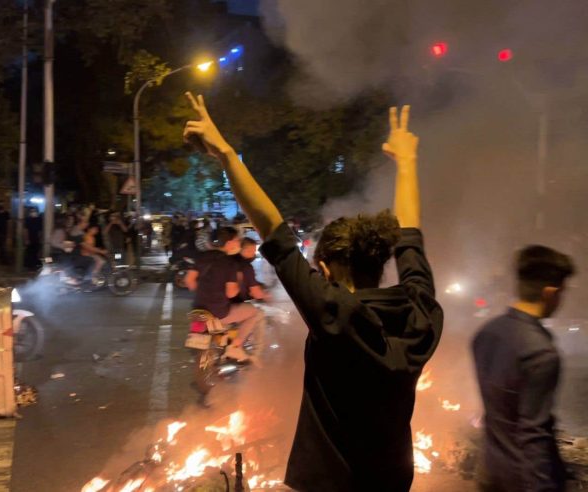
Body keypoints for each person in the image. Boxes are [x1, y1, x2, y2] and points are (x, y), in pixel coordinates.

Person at [183, 94, 442, 491]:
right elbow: (411, 239)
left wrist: (227, 156)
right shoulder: (420, 313)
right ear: (380, 261)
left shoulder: (334, 313)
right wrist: (407, 163)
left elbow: (272, 229)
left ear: (324, 270)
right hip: (392, 481)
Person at [472, 246, 576, 492]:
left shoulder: (486, 334)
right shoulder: (540, 352)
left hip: (490, 472)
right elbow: (533, 435)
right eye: (562, 292)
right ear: (550, 293)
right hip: (522, 481)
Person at [185, 226, 264, 362]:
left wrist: (205, 291)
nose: (239, 242)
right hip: (218, 311)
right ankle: (235, 346)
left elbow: (189, 281)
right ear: (229, 243)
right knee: (254, 312)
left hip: (198, 308)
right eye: (237, 240)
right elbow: (231, 293)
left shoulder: (203, 257)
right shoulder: (229, 263)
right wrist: (239, 283)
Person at [232, 237, 270, 303]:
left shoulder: (229, 261)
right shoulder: (246, 266)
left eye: (254, 251)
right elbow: (256, 293)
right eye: (251, 251)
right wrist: (267, 296)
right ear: (242, 250)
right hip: (240, 303)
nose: (253, 254)